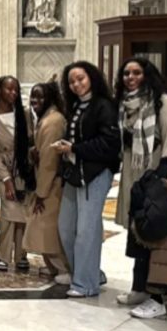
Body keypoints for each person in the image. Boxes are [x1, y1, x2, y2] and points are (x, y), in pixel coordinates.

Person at [114, 57, 167, 319]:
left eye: (136, 73)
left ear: (148, 75)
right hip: (134, 180)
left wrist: (166, 182)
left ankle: (157, 298)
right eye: (126, 73)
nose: (130, 78)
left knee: (154, 237)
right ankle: (139, 288)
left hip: (156, 180)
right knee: (138, 236)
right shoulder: (127, 105)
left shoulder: (164, 103)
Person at [54, 61, 120, 297]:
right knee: (65, 227)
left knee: (86, 230)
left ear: (91, 77)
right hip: (74, 173)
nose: (76, 84)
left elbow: (109, 144)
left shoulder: (104, 106)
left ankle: (85, 284)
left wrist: (74, 148)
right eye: (72, 81)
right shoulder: (75, 106)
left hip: (95, 174)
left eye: (80, 79)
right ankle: (89, 273)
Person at [0, 76, 34, 272]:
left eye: (16, 90)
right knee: (8, 209)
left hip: (23, 166)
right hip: (3, 168)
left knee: (22, 210)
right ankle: (3, 254)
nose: (13, 93)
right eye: (9, 89)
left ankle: (21, 253)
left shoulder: (23, 113)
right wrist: (6, 178)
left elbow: (31, 139)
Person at [22, 81, 68, 278]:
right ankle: (53, 267)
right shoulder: (47, 118)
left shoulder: (52, 122)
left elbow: (49, 161)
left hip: (51, 186)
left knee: (46, 229)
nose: (35, 101)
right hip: (49, 183)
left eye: (40, 96)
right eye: (33, 96)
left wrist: (41, 193)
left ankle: (63, 269)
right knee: (43, 228)